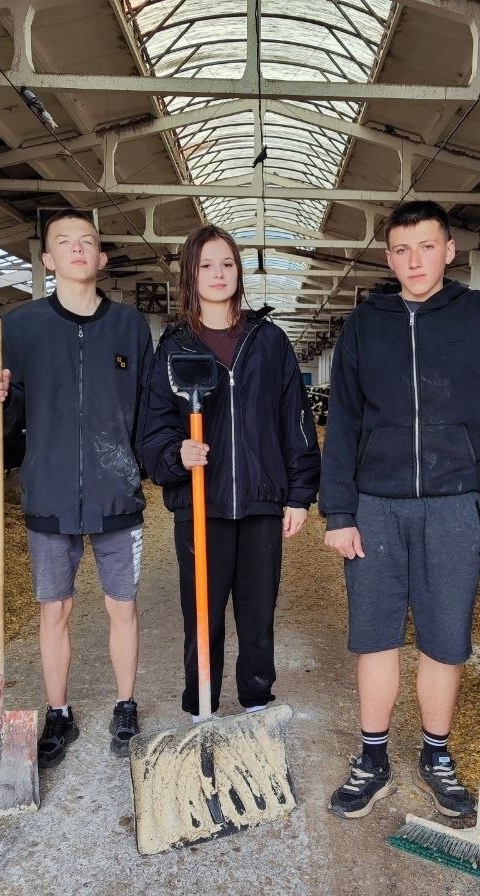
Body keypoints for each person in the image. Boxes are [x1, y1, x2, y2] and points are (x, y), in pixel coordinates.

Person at [319, 199, 480, 821]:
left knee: (444, 637)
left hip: (455, 502)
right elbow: (344, 420)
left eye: (427, 248)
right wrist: (339, 513)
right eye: (402, 250)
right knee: (375, 635)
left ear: (449, 251)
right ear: (389, 257)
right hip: (375, 505)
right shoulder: (365, 324)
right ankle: (372, 757)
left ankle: (436, 754)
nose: (415, 262)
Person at [0, 209, 153, 765]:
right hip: (49, 492)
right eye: (64, 242)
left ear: (102, 258)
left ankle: (126, 704)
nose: (77, 248)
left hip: (117, 492)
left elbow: (148, 409)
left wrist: (156, 466)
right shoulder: (20, 327)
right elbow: (5, 413)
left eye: (88, 241)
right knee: (54, 609)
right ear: (48, 260)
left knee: (122, 605)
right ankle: (59, 712)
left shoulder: (130, 327)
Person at [138, 224, 321, 720]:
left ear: (239, 272)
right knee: (203, 614)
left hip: (261, 500)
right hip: (202, 502)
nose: (218, 274)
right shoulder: (175, 347)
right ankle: (201, 707)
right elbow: (153, 427)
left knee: (258, 615)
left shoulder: (270, 342)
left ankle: (257, 703)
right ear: (190, 275)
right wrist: (175, 454)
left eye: (227, 264)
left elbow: (295, 421)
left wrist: (299, 495)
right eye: (206, 265)